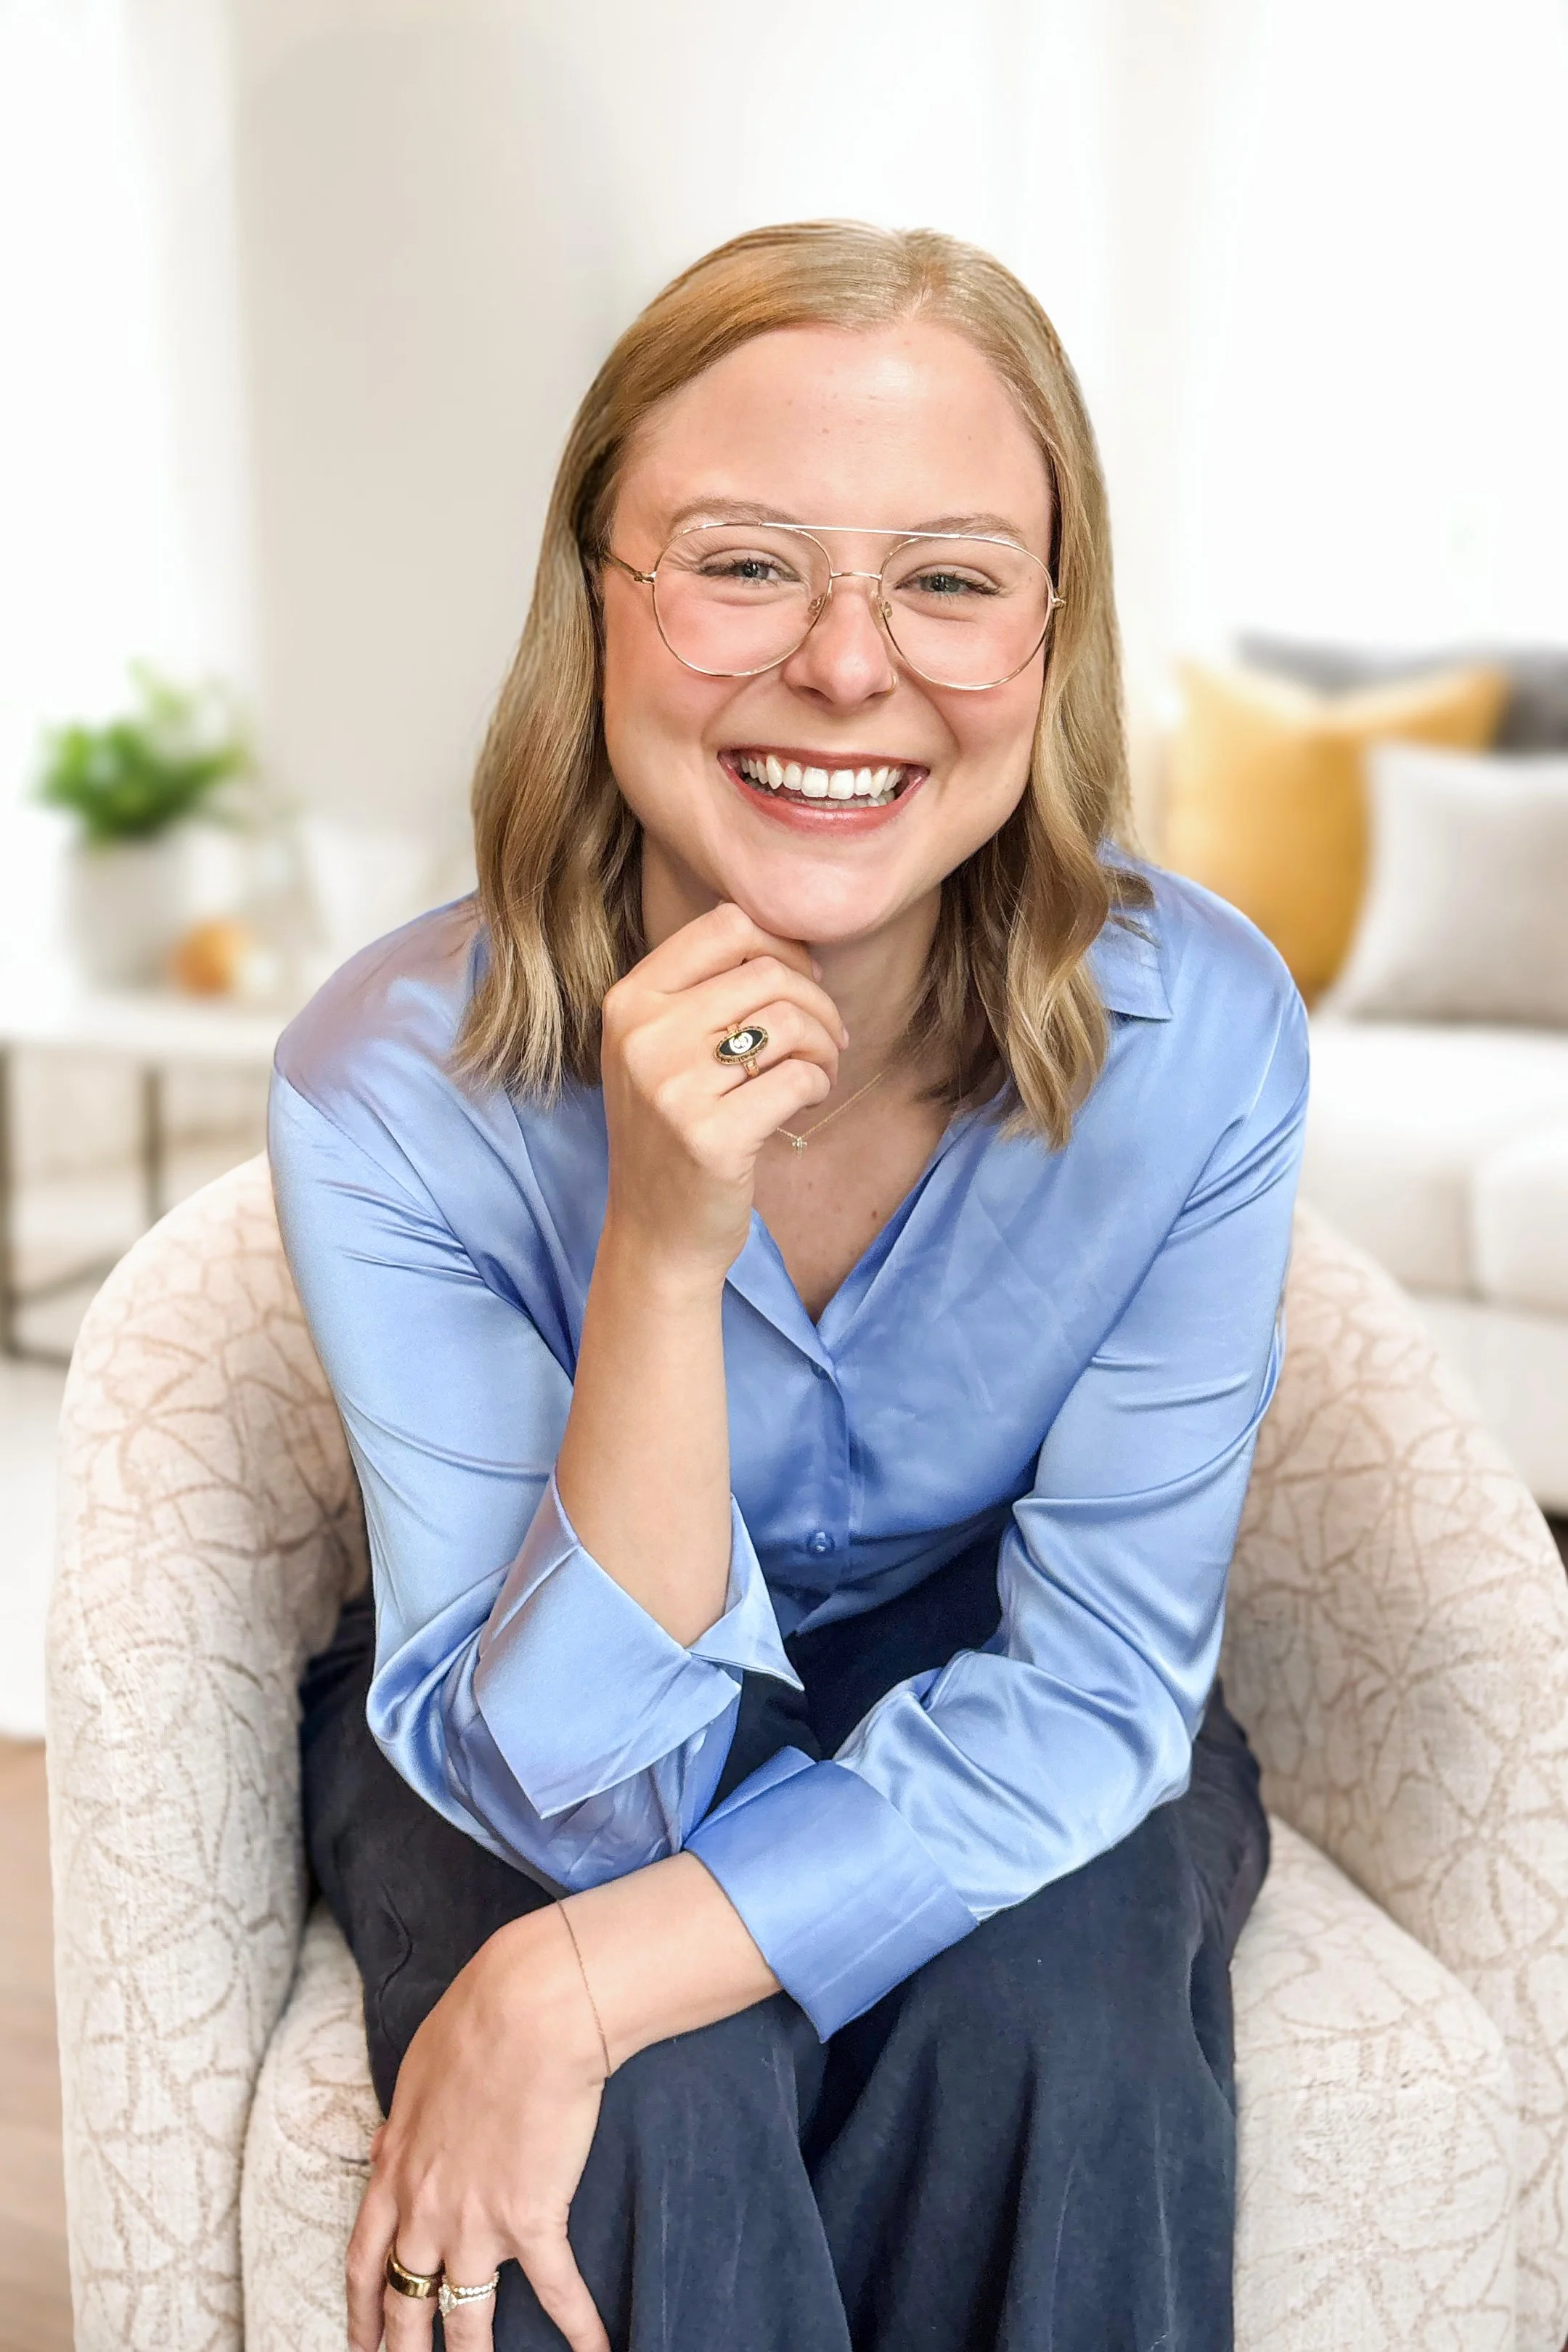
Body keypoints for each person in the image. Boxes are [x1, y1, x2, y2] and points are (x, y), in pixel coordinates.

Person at [271, 219, 1307, 2352]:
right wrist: (663, 1252)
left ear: (1053, 631)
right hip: (521, 1681)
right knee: (642, 2113)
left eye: (950, 580)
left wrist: (572, 1981)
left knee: (1066, 2035)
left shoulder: (1203, 1036)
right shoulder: (382, 1084)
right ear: (595, 604)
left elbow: (1096, 1688)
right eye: (745, 565)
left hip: (1002, 1657)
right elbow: (587, 1797)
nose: (848, 667)